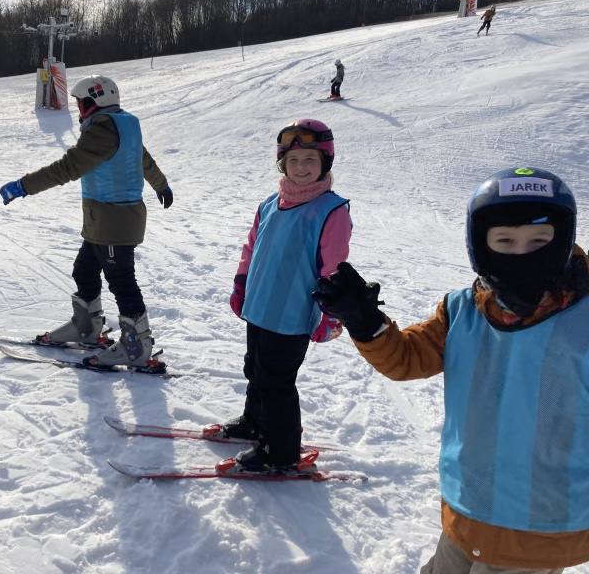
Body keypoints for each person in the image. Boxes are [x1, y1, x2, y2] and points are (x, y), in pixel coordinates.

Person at [315, 167, 589, 573]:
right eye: (505, 241)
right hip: (471, 508)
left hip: (542, 524)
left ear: (562, 240)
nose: (521, 253)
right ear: (481, 244)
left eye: (539, 241)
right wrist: (365, 321)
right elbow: (407, 358)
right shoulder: (463, 310)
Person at [0, 74, 173, 368]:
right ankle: (86, 328)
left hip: (113, 221)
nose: (79, 109)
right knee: (84, 270)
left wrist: (23, 186)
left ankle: (137, 347)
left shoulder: (103, 130)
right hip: (102, 220)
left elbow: (68, 167)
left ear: (96, 101)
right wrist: (161, 184)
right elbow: (144, 159)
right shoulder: (124, 124)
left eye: (82, 103)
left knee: (122, 281)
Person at [213, 118, 351, 472]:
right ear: (282, 163)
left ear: (325, 163)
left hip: (291, 315)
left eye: (310, 160)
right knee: (255, 369)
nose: (301, 167)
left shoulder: (331, 211)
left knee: (276, 382)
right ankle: (255, 422)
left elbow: (334, 268)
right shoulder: (269, 204)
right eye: (294, 160)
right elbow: (251, 248)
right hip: (260, 307)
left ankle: (280, 451)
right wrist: (241, 285)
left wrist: (329, 313)